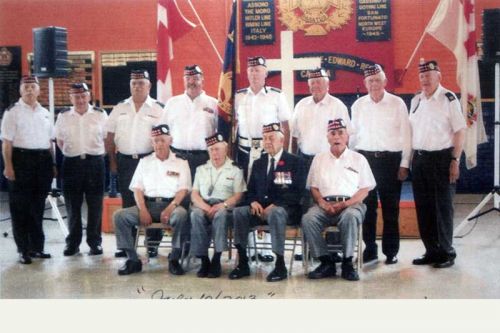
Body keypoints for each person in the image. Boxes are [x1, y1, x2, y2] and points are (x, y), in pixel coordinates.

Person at [350, 64, 411, 264]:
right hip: (365, 162)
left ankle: (391, 252)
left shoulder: (397, 103)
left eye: (377, 80)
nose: (374, 84)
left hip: (390, 162)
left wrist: (404, 163)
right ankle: (370, 249)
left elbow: (407, 136)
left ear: (385, 82)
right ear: (365, 84)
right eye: (370, 81)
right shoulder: (358, 106)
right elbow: (353, 137)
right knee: (367, 209)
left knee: (390, 209)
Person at [229, 123, 306, 282]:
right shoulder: (259, 162)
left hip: (286, 211)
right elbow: (249, 191)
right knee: (239, 212)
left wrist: (276, 204)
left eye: (271, 138)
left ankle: (279, 265)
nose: (267, 141)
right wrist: (252, 202)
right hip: (260, 210)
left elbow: (298, 193)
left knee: (276, 213)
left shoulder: (295, 162)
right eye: (264, 138)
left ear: (282, 141)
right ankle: (243, 262)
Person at [302, 119, 376, 281]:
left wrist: (345, 204)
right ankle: (325, 261)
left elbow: (365, 190)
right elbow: (313, 187)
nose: (337, 137)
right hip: (324, 204)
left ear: (347, 136)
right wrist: (322, 203)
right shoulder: (319, 159)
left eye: (341, 133)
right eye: (333, 133)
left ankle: (348, 263)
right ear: (327, 137)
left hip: (352, 204)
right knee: (308, 219)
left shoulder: (359, 159)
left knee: (349, 217)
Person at [235, 56, 292, 262]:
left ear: (266, 73)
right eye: (251, 70)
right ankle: (248, 246)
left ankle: (267, 247)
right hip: (244, 149)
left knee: (269, 193)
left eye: (258, 70)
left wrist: (282, 153)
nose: (254, 73)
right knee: (246, 194)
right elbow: (233, 125)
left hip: (269, 149)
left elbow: (285, 125)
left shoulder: (277, 96)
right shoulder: (239, 96)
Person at [409, 60, 466, 269]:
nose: (425, 80)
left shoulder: (448, 99)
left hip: (442, 159)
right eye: (422, 76)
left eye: (429, 76)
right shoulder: (416, 100)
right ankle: (431, 250)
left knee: (443, 207)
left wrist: (455, 160)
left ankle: (447, 252)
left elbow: (460, 130)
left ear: (439, 77)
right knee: (424, 208)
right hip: (421, 160)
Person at [113, 124, 191, 276]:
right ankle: (133, 259)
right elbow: (137, 188)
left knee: (182, 216)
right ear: (152, 143)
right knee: (120, 216)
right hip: (147, 205)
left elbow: (183, 190)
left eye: (162, 140)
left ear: (170, 141)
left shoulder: (181, 162)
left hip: (172, 206)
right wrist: (142, 209)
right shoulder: (145, 162)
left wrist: (170, 208)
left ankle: (174, 259)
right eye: (155, 141)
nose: (159, 144)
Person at [105, 69, 165, 258]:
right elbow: (110, 137)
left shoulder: (158, 108)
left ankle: (152, 244)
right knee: (128, 203)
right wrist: (113, 162)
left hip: (150, 161)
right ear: (130, 85)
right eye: (134, 83)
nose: (137, 86)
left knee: (153, 201)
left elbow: (165, 137)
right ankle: (127, 245)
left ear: (149, 85)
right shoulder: (120, 108)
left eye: (141, 83)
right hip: (125, 162)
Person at [1, 75, 55, 264]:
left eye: (33, 86)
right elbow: (6, 142)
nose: (30, 90)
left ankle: (37, 248)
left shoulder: (45, 112)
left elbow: (50, 142)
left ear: (39, 90)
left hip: (42, 162)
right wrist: (8, 166)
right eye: (26, 87)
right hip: (21, 160)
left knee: (38, 208)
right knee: (20, 208)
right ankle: (23, 250)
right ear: (20, 90)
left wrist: (53, 164)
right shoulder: (12, 112)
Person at [55, 83, 108, 256]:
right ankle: (73, 243)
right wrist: (73, 153)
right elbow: (60, 141)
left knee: (95, 205)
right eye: (76, 96)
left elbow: (107, 139)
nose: (80, 100)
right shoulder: (63, 116)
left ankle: (95, 243)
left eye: (83, 95)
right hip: (72, 164)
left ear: (89, 96)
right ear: (70, 98)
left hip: (95, 164)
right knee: (72, 205)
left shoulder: (100, 114)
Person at [190, 134, 246, 278]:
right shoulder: (201, 169)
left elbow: (239, 195)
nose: (215, 153)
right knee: (195, 215)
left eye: (218, 149)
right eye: (212, 150)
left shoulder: (235, 169)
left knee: (220, 215)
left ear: (226, 149)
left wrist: (224, 205)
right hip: (204, 205)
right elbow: (194, 195)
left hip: (225, 206)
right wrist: (207, 208)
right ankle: (204, 260)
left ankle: (216, 258)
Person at [161, 65, 217, 180]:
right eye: (188, 78)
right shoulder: (172, 103)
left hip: (204, 159)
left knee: (201, 195)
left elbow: (221, 134)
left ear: (202, 80)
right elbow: (163, 133)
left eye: (196, 78)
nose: (192, 82)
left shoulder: (214, 104)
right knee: (178, 194)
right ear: (183, 80)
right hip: (176, 158)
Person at [291, 67, 352, 172]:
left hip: (329, 161)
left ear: (327, 85)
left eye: (319, 82)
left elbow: (346, 137)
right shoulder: (301, 105)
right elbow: (294, 137)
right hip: (304, 161)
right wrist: (293, 160)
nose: (315, 86)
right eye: (312, 83)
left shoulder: (338, 106)